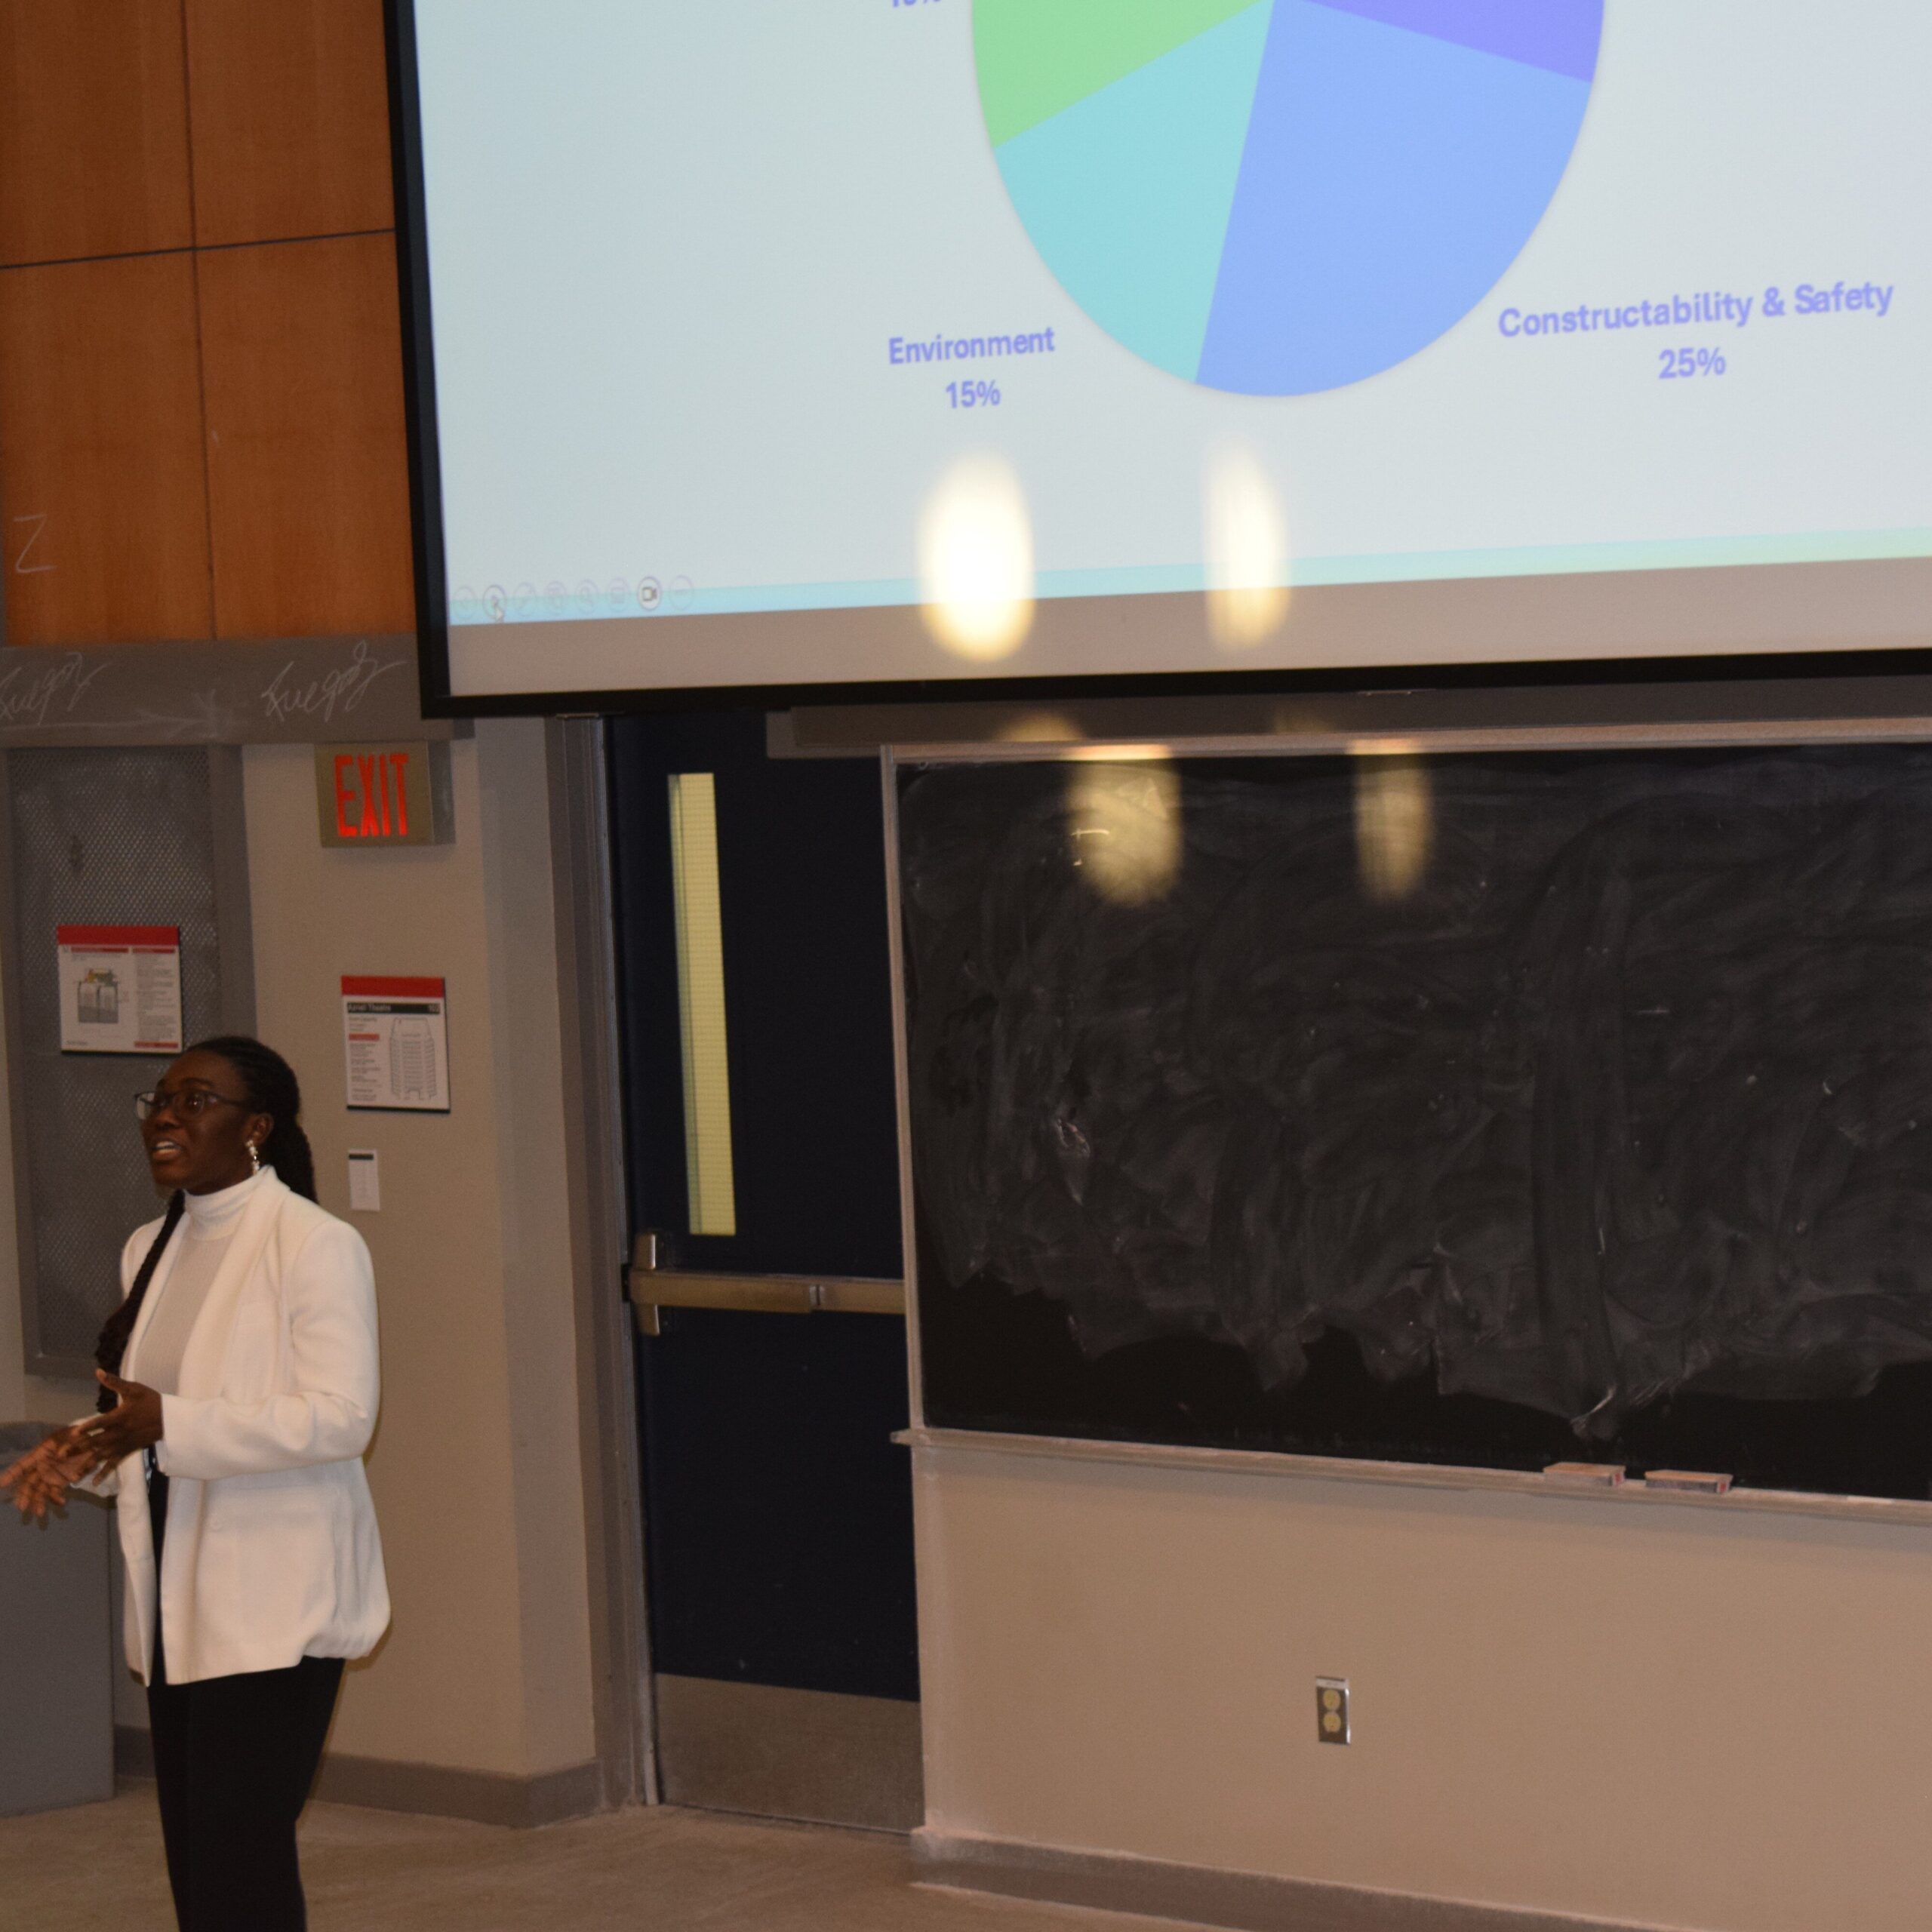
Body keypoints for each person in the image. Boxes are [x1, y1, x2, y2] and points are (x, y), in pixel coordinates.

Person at [2, 1035, 388, 1931]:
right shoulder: (150, 1246)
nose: (167, 1116)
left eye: (197, 1100)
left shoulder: (315, 1245)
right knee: (197, 1865)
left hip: (276, 1604)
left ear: (256, 1127)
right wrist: (80, 1445)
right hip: (179, 1607)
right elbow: (154, 1410)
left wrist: (169, 1424)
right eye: (162, 1099)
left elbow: (340, 1417)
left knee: (240, 1860)